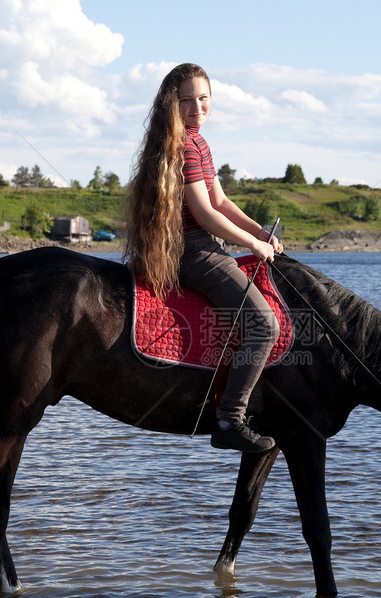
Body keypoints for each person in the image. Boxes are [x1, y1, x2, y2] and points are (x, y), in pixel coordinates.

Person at [124, 63, 284, 453]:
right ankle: (231, 418)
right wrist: (254, 245)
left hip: (197, 245)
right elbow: (204, 213)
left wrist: (259, 230)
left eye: (203, 98)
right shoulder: (186, 145)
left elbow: (221, 201)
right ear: (171, 104)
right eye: (187, 100)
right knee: (264, 326)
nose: (197, 107)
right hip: (194, 252)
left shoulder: (194, 141)